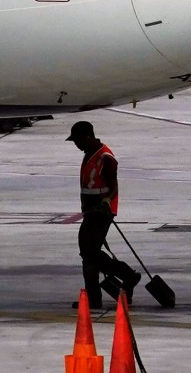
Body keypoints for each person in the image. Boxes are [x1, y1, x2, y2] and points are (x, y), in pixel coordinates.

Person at [71, 120, 139, 307]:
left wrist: (107, 200)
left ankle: (94, 298)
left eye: (77, 140)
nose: (76, 145)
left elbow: (113, 185)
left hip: (102, 211)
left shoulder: (105, 157)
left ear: (88, 137)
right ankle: (127, 276)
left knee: (89, 253)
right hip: (90, 211)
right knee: (89, 251)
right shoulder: (89, 153)